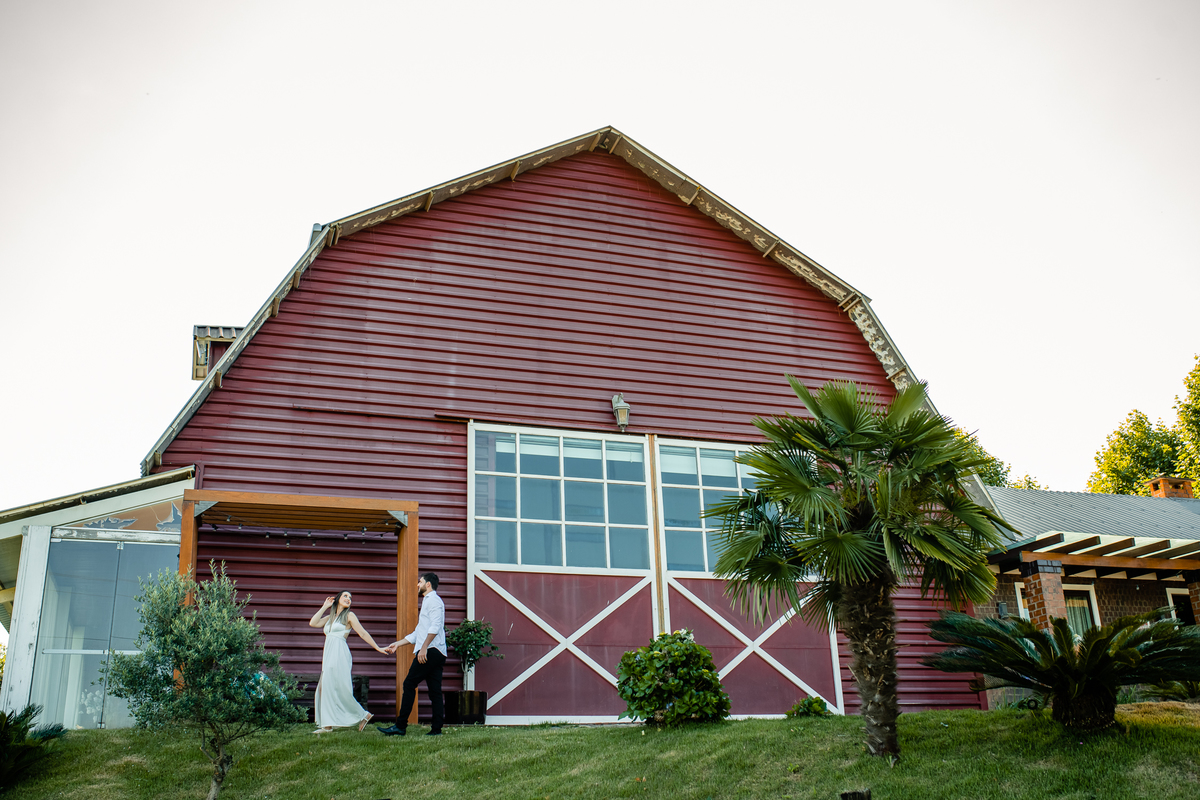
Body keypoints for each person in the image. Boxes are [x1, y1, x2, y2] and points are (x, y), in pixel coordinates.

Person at [308, 590, 388, 733]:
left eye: (350, 597)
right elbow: (313, 623)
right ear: (338, 599)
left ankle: (360, 715)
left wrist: (378, 647)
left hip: (339, 654)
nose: (348, 599)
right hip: (328, 654)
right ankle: (329, 724)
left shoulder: (349, 615)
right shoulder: (330, 617)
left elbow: (362, 633)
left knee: (338, 688)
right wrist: (325, 606)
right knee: (324, 688)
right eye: (345, 596)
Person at [379, 572, 446, 736]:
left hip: (430, 651)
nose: (417, 584)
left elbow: (435, 627)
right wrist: (398, 644)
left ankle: (400, 726)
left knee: (409, 684)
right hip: (435, 651)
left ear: (428, 584)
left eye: (420, 582)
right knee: (435, 691)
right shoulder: (428, 601)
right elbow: (418, 632)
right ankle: (436, 729)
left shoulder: (433, 601)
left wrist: (424, 648)